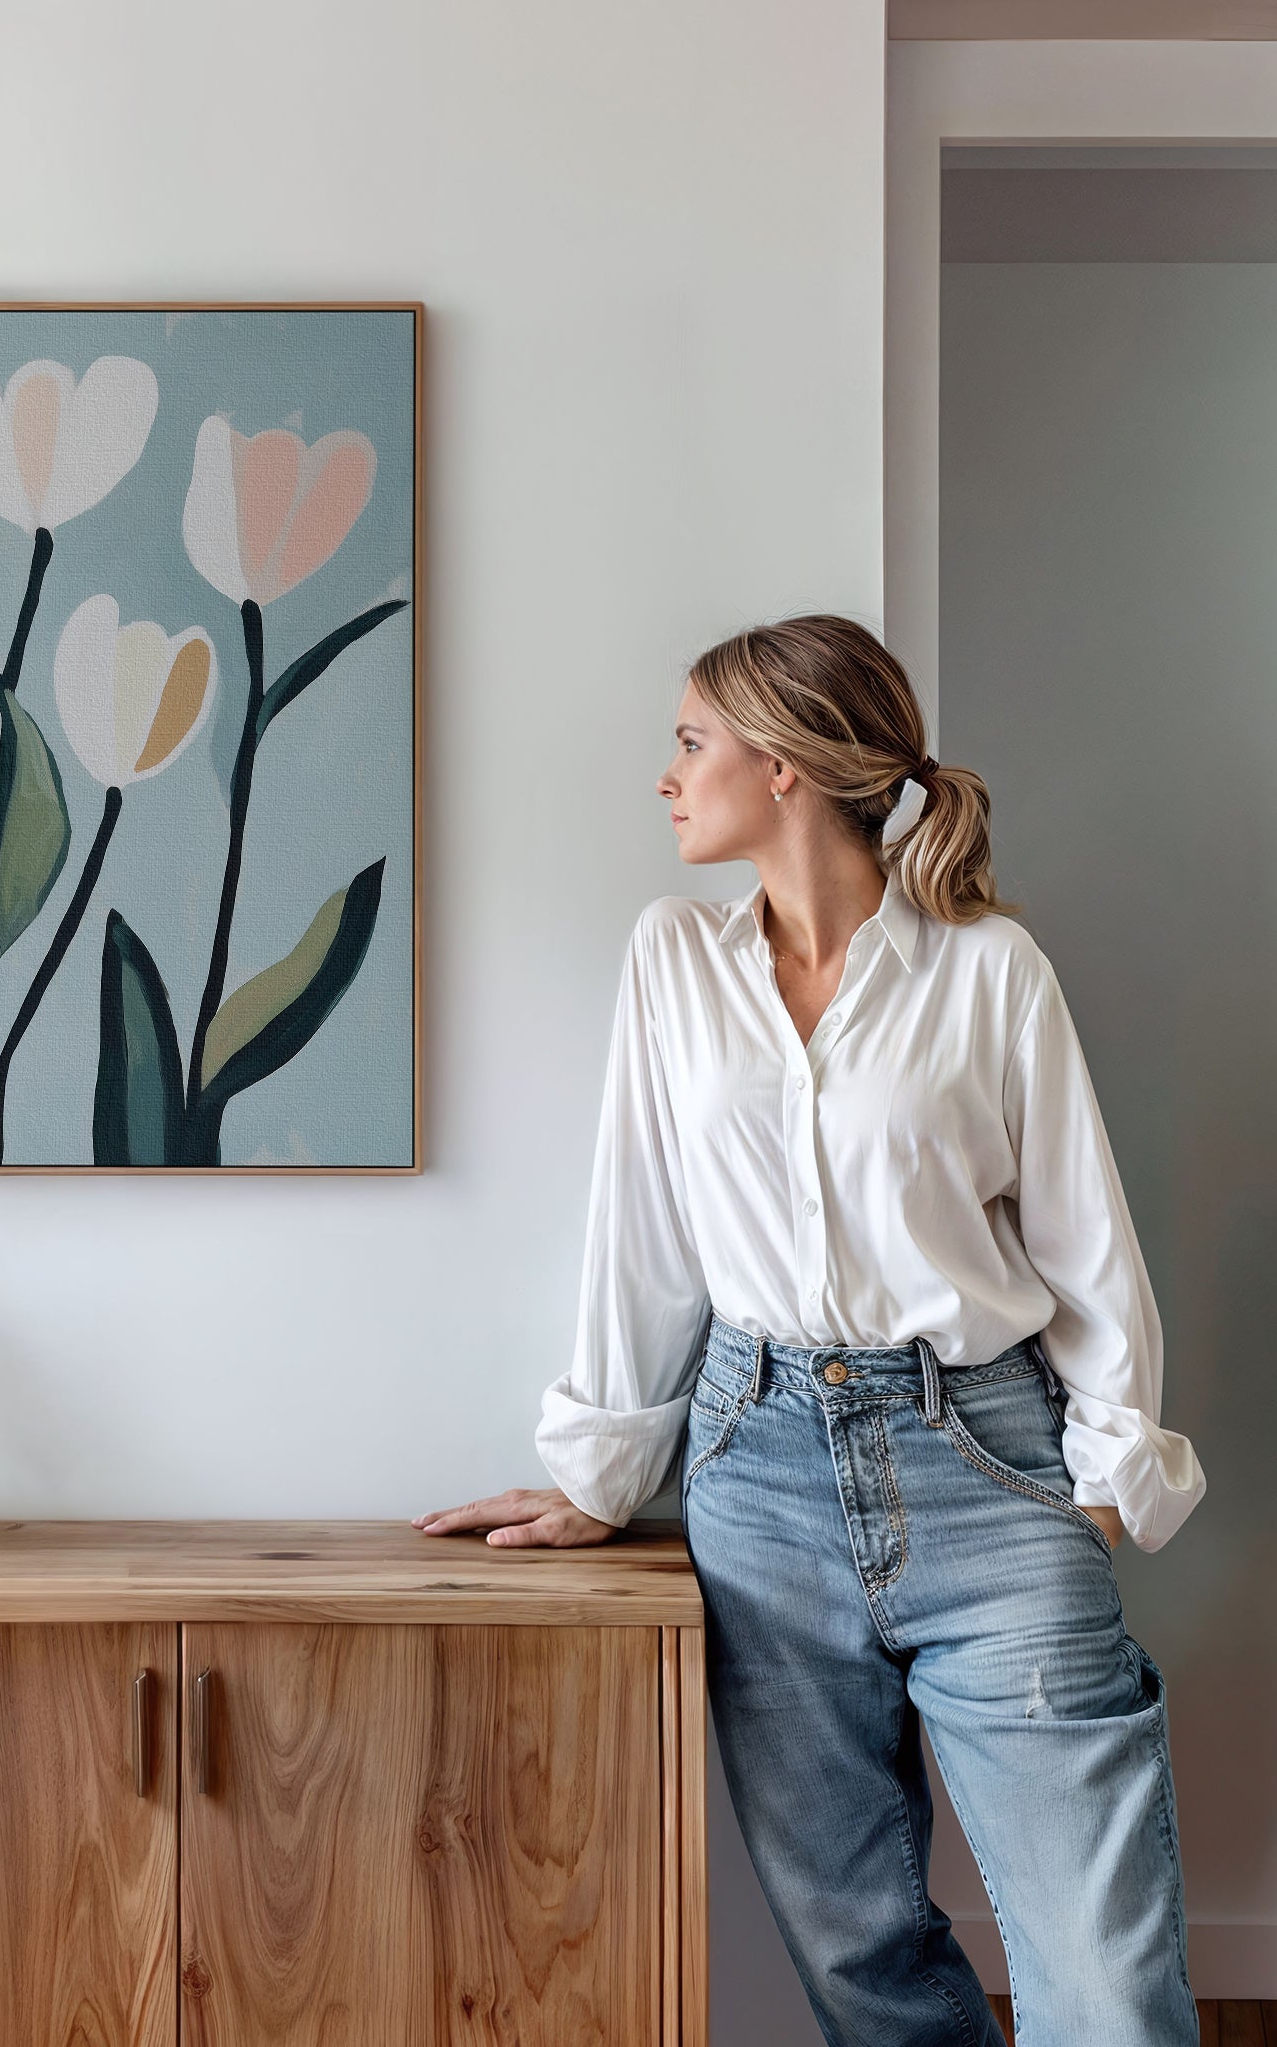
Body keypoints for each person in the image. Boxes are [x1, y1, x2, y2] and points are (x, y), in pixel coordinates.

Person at [413, 616, 1206, 2046]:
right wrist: (604, 1473)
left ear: (783, 768)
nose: (667, 776)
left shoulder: (988, 971)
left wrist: (1102, 1477)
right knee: (861, 1959)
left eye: (690, 741)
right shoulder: (673, 962)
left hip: (988, 1459)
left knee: (1103, 1973)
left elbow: (1088, 1242)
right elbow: (640, 1231)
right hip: (756, 1471)